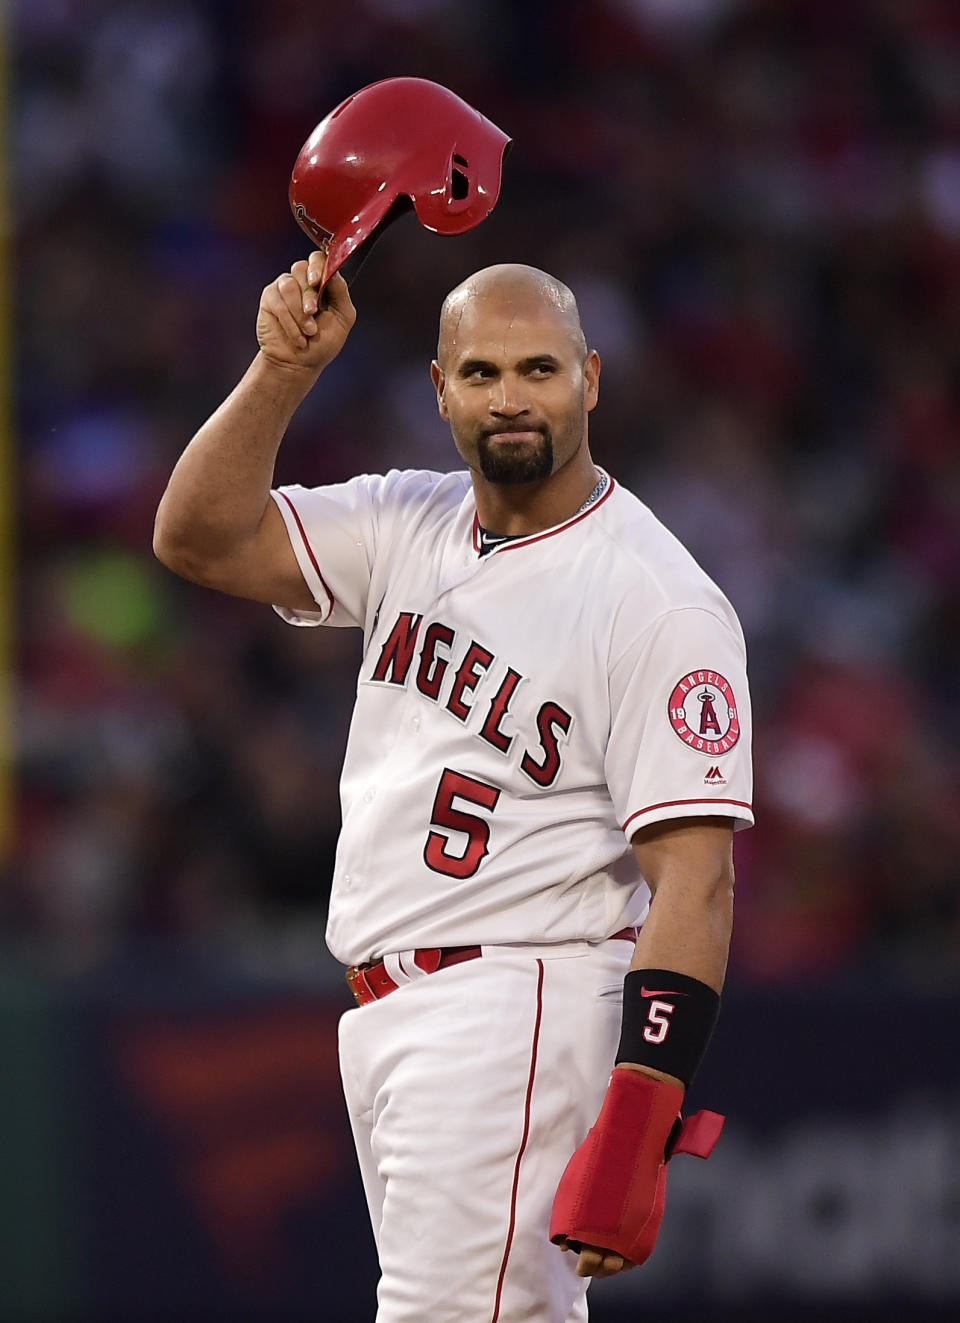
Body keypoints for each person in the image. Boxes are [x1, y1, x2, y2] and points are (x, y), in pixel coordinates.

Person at [153, 250, 753, 1323]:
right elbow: (197, 537)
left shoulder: (656, 599)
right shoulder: (406, 521)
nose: (511, 397)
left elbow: (696, 882)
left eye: (538, 369)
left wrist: (642, 1105)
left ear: (592, 379)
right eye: (481, 373)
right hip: (399, 1011)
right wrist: (281, 371)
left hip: (515, 1003)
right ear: (439, 389)